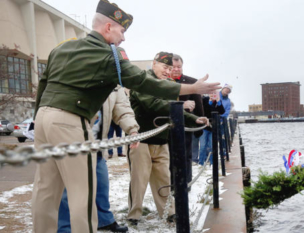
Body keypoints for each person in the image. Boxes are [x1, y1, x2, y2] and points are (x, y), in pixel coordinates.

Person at [31, 1, 220, 232]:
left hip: (43, 119)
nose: (123, 38)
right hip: (71, 121)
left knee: (45, 190)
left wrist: (37, 118)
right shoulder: (107, 55)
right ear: (108, 27)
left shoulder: (62, 48)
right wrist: (192, 88)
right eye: (122, 31)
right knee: (83, 192)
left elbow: (43, 84)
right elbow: (143, 82)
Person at [127, 52, 208, 224]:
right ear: (154, 63)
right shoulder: (142, 83)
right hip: (141, 139)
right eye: (165, 67)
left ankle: (169, 212)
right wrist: (178, 105)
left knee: (164, 179)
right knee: (138, 180)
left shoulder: (168, 85)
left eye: (171, 68)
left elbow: (175, 112)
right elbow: (152, 105)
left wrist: (195, 119)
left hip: (161, 139)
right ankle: (134, 215)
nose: (168, 71)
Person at [58, 86, 137, 233]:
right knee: (68, 190)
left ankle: (103, 220)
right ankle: (64, 228)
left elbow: (123, 109)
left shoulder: (115, 86)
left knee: (101, 184)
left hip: (97, 146)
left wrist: (132, 129)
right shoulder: (79, 73)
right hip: (73, 142)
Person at [170, 54, 204, 188]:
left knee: (186, 156)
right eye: (174, 67)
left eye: (179, 67)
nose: (177, 69)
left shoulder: (192, 82)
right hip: (167, 126)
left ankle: (186, 184)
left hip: (186, 126)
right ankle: (172, 184)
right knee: (170, 157)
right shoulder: (162, 82)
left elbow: (199, 104)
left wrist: (199, 125)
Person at [198, 93, 225, 165]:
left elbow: (222, 111)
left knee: (212, 146)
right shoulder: (204, 100)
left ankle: (212, 163)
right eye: (211, 94)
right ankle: (201, 163)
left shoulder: (218, 102)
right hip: (204, 126)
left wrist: (218, 102)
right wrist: (210, 102)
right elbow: (205, 111)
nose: (213, 95)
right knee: (203, 146)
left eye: (214, 94)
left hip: (213, 127)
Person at [219, 84, 232, 158]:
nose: (227, 91)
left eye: (228, 91)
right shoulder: (216, 95)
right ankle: (209, 155)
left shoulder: (228, 100)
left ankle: (223, 152)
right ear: (222, 89)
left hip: (222, 120)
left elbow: (227, 110)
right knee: (212, 137)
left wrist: (222, 116)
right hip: (214, 119)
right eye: (226, 89)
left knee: (223, 137)